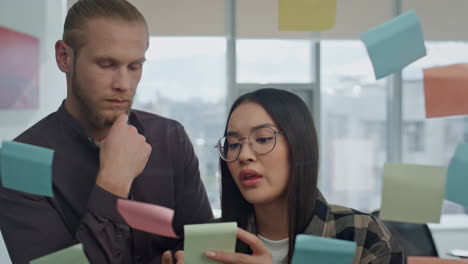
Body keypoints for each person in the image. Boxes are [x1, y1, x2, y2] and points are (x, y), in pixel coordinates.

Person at [0, 0, 213, 263]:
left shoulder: (170, 138)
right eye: (107, 64)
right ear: (64, 57)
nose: (124, 84)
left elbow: (205, 248)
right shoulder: (21, 163)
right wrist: (113, 182)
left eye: (135, 66)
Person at [162, 88, 402, 264]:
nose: (244, 155)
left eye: (264, 139)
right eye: (233, 144)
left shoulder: (359, 234)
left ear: (299, 146)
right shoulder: (206, 244)